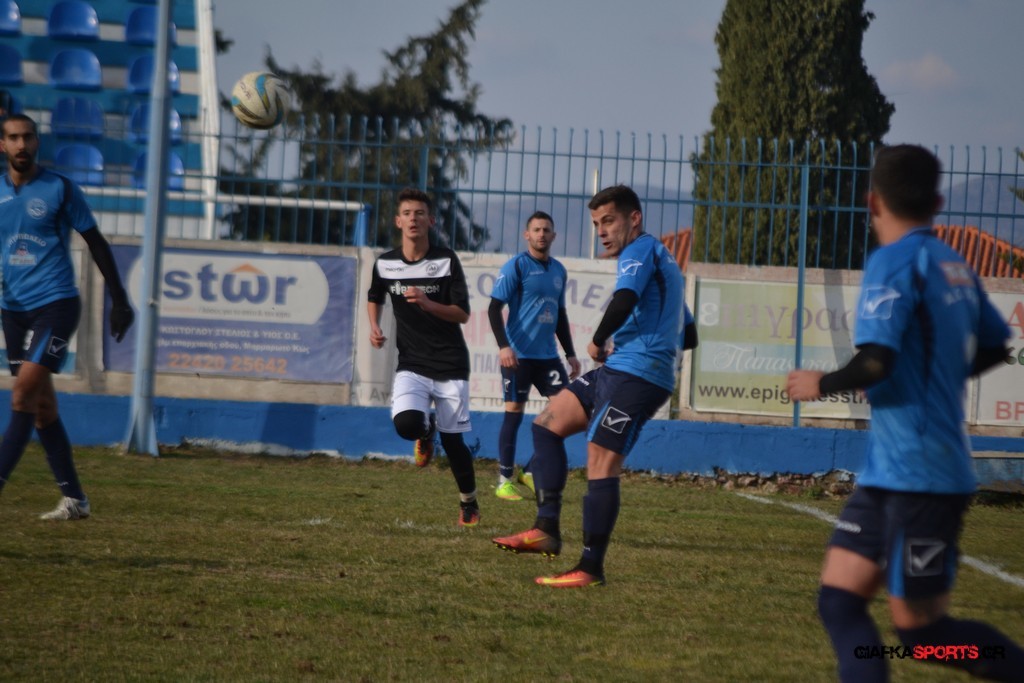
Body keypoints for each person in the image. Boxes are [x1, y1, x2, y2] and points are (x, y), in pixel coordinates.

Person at [787, 144, 1023, 682]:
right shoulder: (953, 263)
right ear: (937, 202)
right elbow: (994, 345)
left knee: (923, 635)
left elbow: (877, 360)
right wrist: (932, 377)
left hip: (923, 477)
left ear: (871, 201)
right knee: (839, 599)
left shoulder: (893, 260)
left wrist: (820, 382)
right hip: (887, 476)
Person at [492, 184, 693, 587]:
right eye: (597, 223)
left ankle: (589, 567)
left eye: (609, 221)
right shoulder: (663, 260)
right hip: (622, 368)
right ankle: (546, 529)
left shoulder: (639, 250)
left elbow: (624, 298)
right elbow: (689, 335)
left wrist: (599, 340)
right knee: (547, 424)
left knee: (601, 462)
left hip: (636, 375)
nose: (602, 231)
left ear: (634, 219)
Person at [0, 113, 134, 520]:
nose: (21, 145)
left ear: (37, 142)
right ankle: (75, 499)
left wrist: (119, 300)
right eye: (13, 138)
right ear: (2, 145)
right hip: (13, 311)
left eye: (27, 137)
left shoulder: (59, 188)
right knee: (42, 407)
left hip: (56, 305)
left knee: (22, 396)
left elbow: (96, 242)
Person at [367, 187, 480, 527]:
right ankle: (425, 432)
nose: (413, 218)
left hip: (450, 365)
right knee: (406, 425)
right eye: (407, 213)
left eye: (420, 213)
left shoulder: (445, 260)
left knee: (454, 442)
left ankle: (469, 504)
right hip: (412, 364)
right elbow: (375, 295)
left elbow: (462, 313)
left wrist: (428, 303)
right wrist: (374, 326)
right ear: (398, 221)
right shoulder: (385, 263)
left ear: (430, 220)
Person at [488, 210, 581, 501]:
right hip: (518, 355)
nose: (542, 234)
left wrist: (571, 354)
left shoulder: (559, 271)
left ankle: (528, 472)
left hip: (548, 357)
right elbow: (494, 308)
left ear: (554, 235)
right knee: (514, 412)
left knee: (567, 413)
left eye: (546, 230)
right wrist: (504, 346)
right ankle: (504, 481)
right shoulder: (516, 266)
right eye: (537, 230)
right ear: (527, 235)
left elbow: (560, 315)